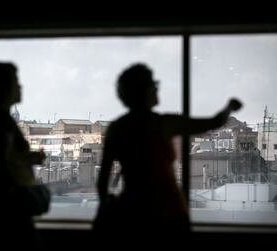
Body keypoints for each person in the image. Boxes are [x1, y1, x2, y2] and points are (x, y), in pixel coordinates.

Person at [95, 63, 242, 246]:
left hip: (132, 211)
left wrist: (108, 204)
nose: (157, 87)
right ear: (146, 90)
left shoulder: (116, 128)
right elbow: (214, 122)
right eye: (153, 83)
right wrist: (230, 107)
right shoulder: (163, 124)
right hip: (169, 211)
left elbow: (102, 182)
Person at [0, 62, 47, 249]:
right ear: (3, 88)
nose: (20, 86)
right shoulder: (1, 121)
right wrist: (31, 158)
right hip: (13, 202)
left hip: (7, 201)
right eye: (16, 81)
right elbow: (3, 161)